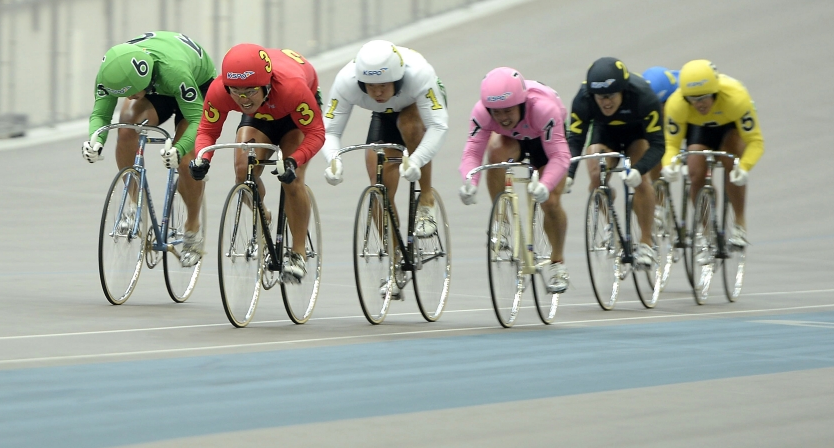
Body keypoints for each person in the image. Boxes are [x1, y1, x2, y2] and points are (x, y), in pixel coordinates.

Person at [321, 41, 449, 297]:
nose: (377, 92)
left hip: (416, 108)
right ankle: (396, 263)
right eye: (370, 87)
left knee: (411, 126)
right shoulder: (346, 80)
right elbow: (330, 130)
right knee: (379, 191)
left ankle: (426, 199)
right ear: (360, 82)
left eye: (383, 86)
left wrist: (416, 159)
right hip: (383, 116)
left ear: (398, 80)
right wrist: (334, 160)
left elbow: (438, 126)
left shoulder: (419, 74)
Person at [190, 44, 325, 283]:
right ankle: (262, 211)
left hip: (293, 113)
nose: (243, 99)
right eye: (236, 91)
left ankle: (298, 253)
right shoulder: (221, 90)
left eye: (250, 91)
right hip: (261, 115)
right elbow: (207, 131)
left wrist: (295, 160)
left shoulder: (292, 88)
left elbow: (316, 133)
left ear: (266, 84)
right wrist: (203, 158)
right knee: (243, 172)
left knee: (292, 179)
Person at [83, 33, 218, 267]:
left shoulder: (173, 70)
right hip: (156, 88)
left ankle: (193, 227)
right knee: (126, 127)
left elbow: (198, 119)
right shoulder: (110, 73)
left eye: (131, 91)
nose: (127, 96)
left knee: (186, 160)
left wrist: (180, 147)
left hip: (195, 84)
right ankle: (133, 205)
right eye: (123, 92)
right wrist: (96, 140)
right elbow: (101, 114)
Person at [458, 67, 572, 294]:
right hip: (514, 140)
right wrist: (470, 181)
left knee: (550, 202)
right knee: (496, 152)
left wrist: (545, 184)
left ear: (521, 102)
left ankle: (557, 264)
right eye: (496, 113)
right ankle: (502, 221)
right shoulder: (482, 112)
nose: (502, 118)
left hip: (544, 142)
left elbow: (561, 156)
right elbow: (472, 153)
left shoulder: (543, 109)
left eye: (508, 111)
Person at [565, 58, 666, 267]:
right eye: (600, 97)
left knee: (640, 181)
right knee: (595, 177)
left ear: (623, 90)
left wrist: (639, 170)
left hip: (636, 135)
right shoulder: (583, 99)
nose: (606, 102)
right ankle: (611, 224)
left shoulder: (643, 96)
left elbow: (658, 145)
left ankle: (646, 242)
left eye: (610, 96)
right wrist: (568, 174)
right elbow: (575, 140)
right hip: (605, 135)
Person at [660, 60, 762, 249]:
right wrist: (669, 164)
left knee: (732, 163)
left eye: (704, 97)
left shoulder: (736, 97)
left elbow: (755, 141)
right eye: (693, 99)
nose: (699, 104)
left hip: (730, 127)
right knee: (695, 171)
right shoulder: (677, 104)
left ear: (715, 91)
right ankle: (705, 231)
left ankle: (739, 223)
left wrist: (745, 166)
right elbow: (671, 144)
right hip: (701, 130)